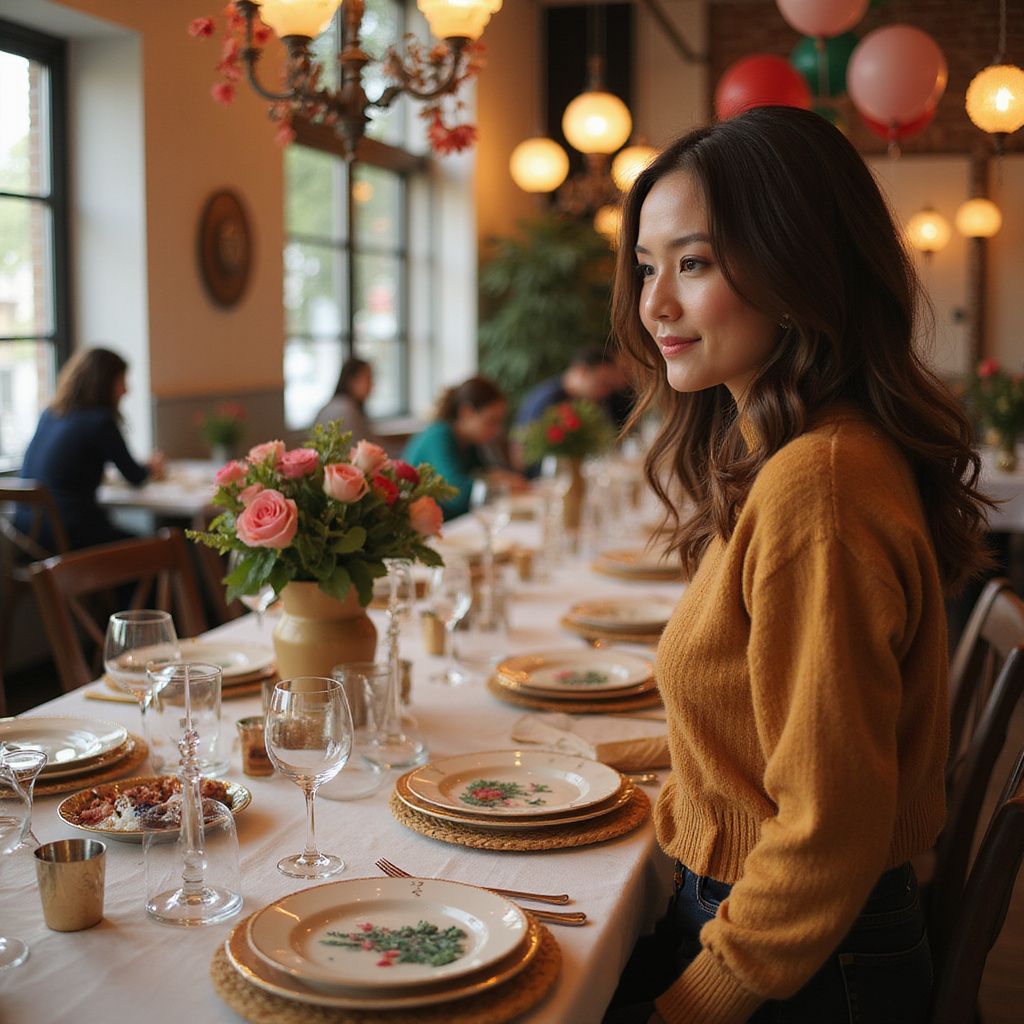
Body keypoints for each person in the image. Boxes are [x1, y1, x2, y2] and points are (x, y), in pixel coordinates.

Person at [603, 106, 992, 1024]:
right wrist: (593, 764)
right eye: (649, 267)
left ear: (799, 264)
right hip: (794, 935)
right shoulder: (802, 450)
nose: (656, 304)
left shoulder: (818, 486)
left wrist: (689, 1010)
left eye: (694, 264)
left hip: (803, 967)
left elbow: (825, 830)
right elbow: (761, 737)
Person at [16, 347, 165, 551]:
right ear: (105, 383)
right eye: (122, 381)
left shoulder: (50, 415)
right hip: (69, 538)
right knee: (160, 551)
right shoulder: (99, 422)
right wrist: (153, 467)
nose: (126, 390)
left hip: (27, 539)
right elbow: (135, 476)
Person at [403, 375, 525, 519]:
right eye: (491, 421)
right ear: (466, 412)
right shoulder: (439, 435)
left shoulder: (469, 442)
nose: (497, 430)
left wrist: (496, 477)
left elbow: (482, 474)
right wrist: (497, 482)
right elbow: (456, 495)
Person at [514, 344, 620, 429]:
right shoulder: (548, 400)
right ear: (582, 371)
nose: (606, 391)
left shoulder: (585, 402)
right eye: (603, 383)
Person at [313, 356, 380, 444]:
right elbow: (363, 447)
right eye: (368, 378)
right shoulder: (345, 409)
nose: (372, 384)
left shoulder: (337, 404)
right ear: (351, 381)